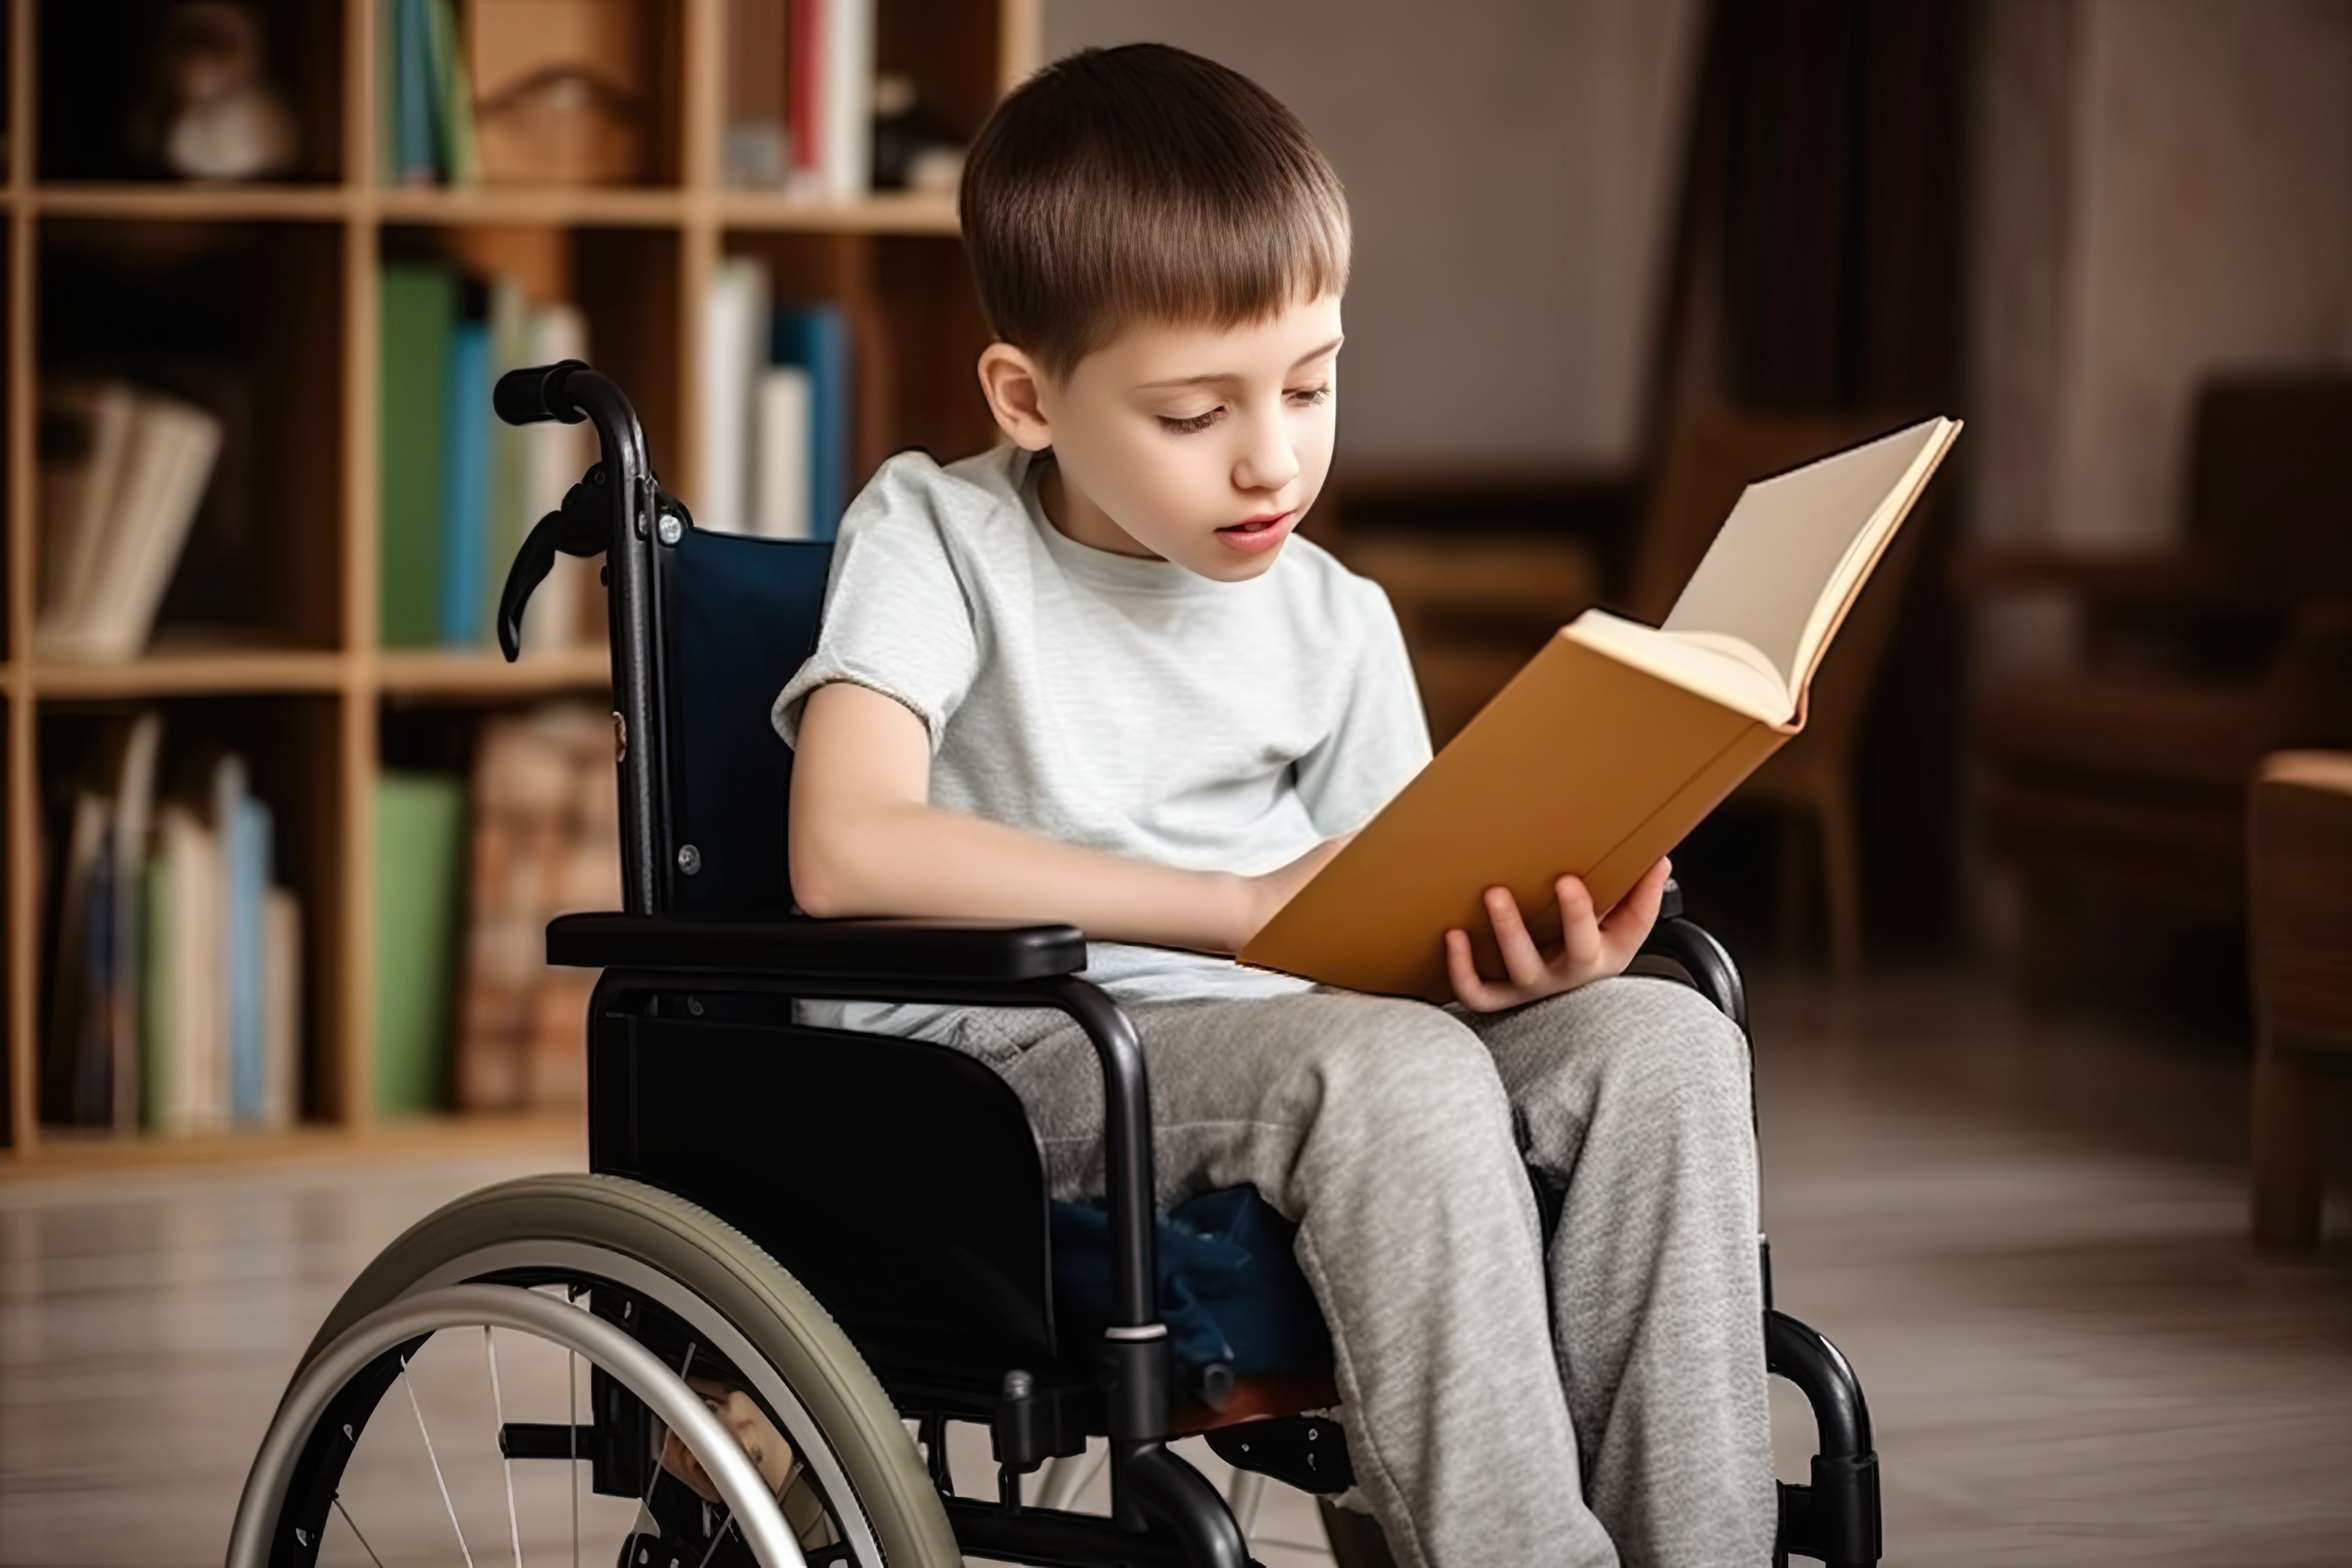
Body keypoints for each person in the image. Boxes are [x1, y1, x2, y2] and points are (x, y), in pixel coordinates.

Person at [773, 43, 1772, 1568]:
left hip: (1284, 1041)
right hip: (1013, 1060)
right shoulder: (938, 534)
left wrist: (1521, 960)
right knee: (1392, 1079)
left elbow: (1390, 936)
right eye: (1194, 414)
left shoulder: (1334, 613)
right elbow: (844, 849)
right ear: (1027, 397)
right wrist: (1236, 912)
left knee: (1661, 1043)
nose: (1273, 458)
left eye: (1310, 384)